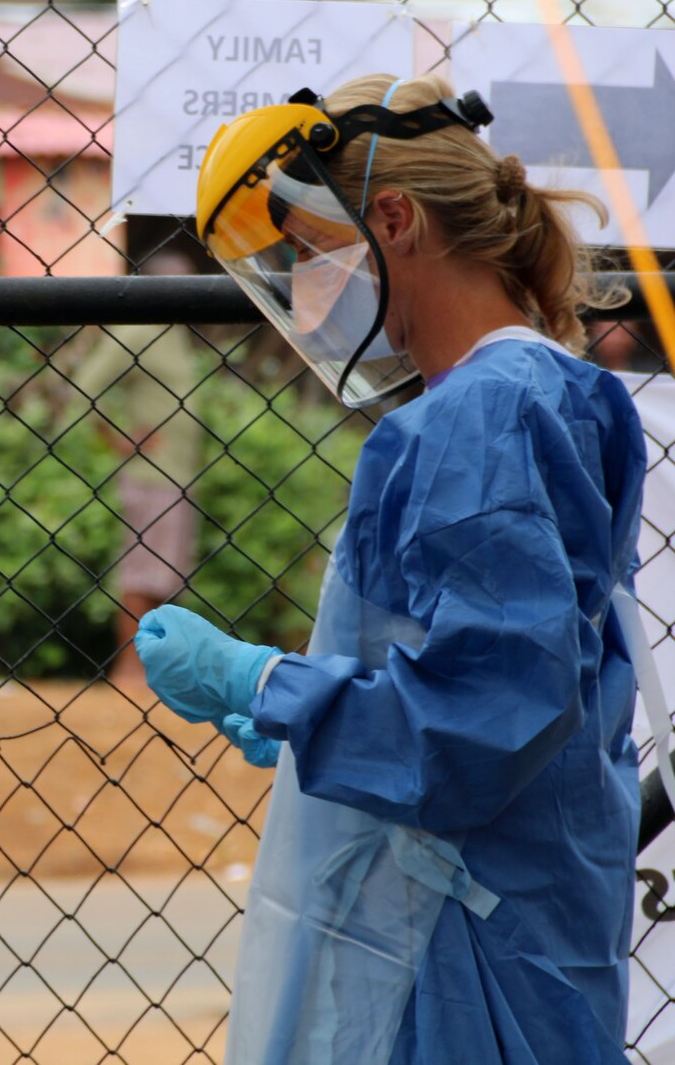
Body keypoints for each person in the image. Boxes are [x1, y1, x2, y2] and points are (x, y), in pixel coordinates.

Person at [137, 74, 645, 1064]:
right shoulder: (543, 389)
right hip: (525, 913)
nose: (303, 286)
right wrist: (315, 727)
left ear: (393, 218)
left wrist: (268, 683)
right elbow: (524, 676)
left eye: (313, 252)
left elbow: (480, 720)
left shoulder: (473, 420)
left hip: (467, 942)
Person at [61, 251, 202, 689]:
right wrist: (118, 437)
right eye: (182, 287)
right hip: (151, 474)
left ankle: (152, 670)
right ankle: (128, 670)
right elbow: (84, 388)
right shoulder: (139, 328)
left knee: (167, 576)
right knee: (142, 574)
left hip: (178, 475)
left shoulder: (173, 332)